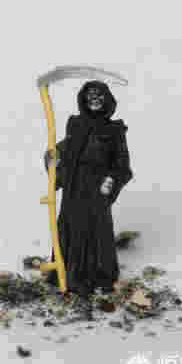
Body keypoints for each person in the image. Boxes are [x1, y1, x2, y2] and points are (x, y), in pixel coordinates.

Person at [44, 80, 133, 297]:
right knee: (70, 226)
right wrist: (54, 157)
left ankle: (99, 276)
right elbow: (67, 148)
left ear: (107, 100)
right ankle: (65, 273)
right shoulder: (75, 124)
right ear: (83, 99)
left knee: (97, 229)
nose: (94, 100)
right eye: (90, 96)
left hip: (96, 189)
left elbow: (122, 165)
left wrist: (111, 180)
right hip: (74, 187)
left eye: (99, 96)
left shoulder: (114, 131)